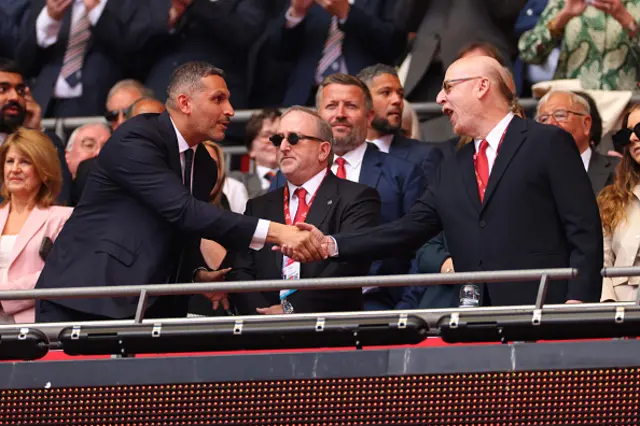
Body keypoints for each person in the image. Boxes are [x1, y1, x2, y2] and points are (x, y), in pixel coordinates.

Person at [286, 56, 603, 307]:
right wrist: (332, 244)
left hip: (543, 307)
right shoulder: (452, 165)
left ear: (481, 87)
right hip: (474, 316)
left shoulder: (546, 142)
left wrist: (578, 301)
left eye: (449, 87)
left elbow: (584, 230)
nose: (440, 98)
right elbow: (407, 228)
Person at [35, 61, 324, 322]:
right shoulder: (137, 137)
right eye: (218, 99)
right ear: (185, 103)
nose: (230, 111)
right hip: (84, 297)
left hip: (148, 305)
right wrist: (279, 231)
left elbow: (182, 232)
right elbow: (183, 210)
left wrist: (195, 275)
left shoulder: (205, 165)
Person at [272, 73, 427, 310]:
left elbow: (420, 245)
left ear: (370, 116)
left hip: (375, 308)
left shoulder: (403, 174)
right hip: (296, 307)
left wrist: (405, 309)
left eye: (351, 106)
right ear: (318, 116)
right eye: (331, 105)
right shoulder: (286, 176)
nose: (340, 114)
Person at [226, 106, 380, 315]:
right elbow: (240, 270)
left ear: (323, 150)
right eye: (278, 140)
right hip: (262, 331)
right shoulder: (258, 206)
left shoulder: (357, 198)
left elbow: (348, 268)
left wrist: (289, 309)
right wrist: (261, 314)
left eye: (294, 138)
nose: (283, 147)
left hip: (329, 331)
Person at [16, 0, 151, 117]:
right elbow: (23, 61)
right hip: (46, 103)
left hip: (99, 102)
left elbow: (135, 51)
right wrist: (51, 19)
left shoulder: (127, 4)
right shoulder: (47, 4)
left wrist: (96, 10)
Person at [270, 0, 407, 106]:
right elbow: (279, 52)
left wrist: (346, 13)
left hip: (363, 98)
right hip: (306, 100)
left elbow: (394, 45)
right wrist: (297, 13)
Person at [0, 128, 72, 323]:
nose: (14, 169)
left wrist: (4, 295)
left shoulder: (62, 218)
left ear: (44, 171)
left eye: (24, 162)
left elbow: (60, 273)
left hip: (33, 328)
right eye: (10, 161)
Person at [519, 0, 640, 90]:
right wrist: (562, 19)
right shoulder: (563, 2)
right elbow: (529, 53)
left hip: (626, 107)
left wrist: (628, 21)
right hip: (572, 105)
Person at [0, 58, 72, 205]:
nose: (15, 97)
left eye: (20, 91)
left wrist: (34, 135)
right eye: (3, 89)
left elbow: (60, 201)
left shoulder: (48, 142)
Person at [357, 64, 442, 179]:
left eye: (400, 94)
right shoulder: (339, 154)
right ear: (362, 100)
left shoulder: (424, 157)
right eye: (386, 92)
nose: (397, 100)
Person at [535, 90, 617, 195]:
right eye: (543, 119)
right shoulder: (527, 174)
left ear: (586, 124)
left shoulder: (619, 170)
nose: (550, 123)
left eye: (560, 115)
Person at [599, 104, 640, 302]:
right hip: (622, 310)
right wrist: (608, 304)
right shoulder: (611, 198)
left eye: (639, 130)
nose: (633, 138)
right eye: (627, 134)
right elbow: (603, 257)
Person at [229, 108, 281, 199]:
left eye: (280, 135)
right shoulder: (238, 180)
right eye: (266, 136)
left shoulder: (300, 179)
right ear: (251, 149)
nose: (274, 141)